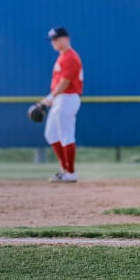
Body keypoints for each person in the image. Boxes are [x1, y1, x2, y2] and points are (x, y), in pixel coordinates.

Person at [39, 27, 84, 183]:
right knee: (51, 134)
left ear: (66, 39)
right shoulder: (62, 57)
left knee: (66, 135)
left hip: (68, 97)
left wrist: (50, 98)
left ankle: (70, 172)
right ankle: (64, 169)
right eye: (53, 40)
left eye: (57, 39)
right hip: (60, 98)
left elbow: (66, 82)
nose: (54, 42)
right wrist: (51, 98)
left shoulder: (70, 57)